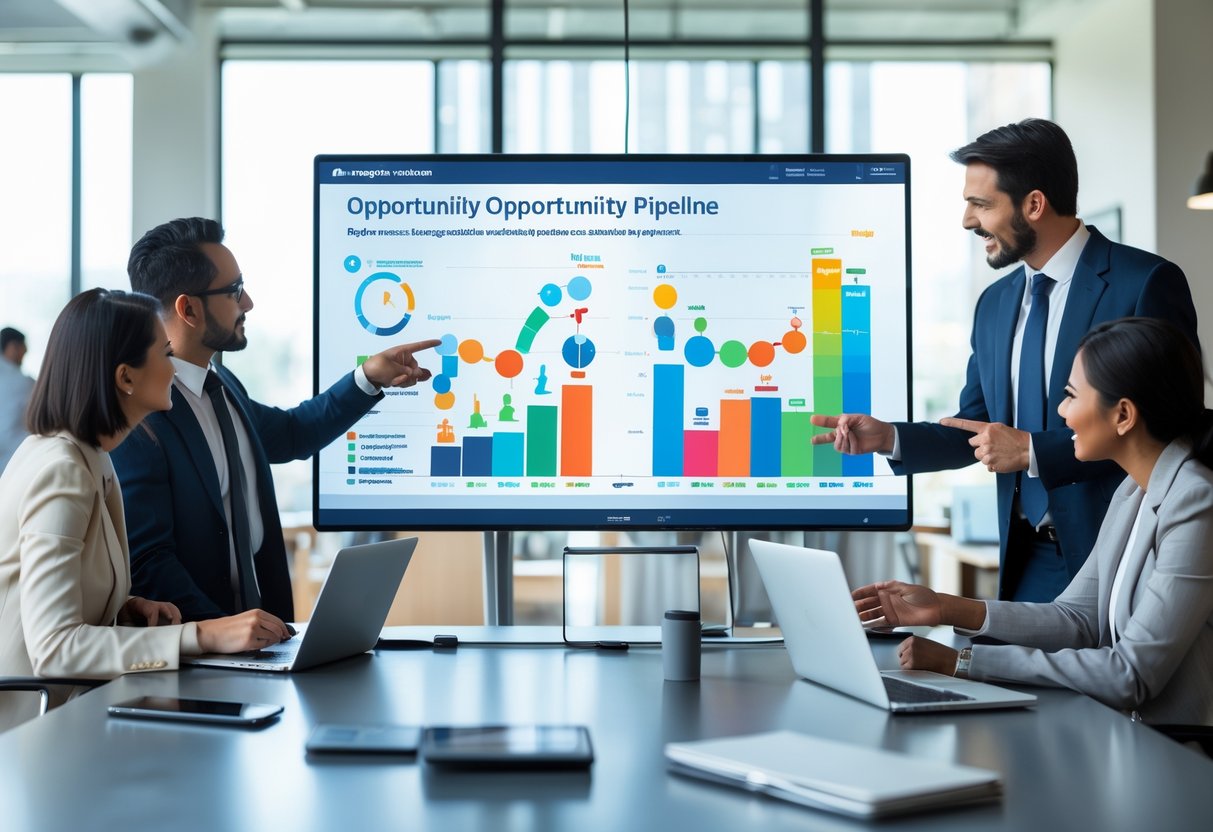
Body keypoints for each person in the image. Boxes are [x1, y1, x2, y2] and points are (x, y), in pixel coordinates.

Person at [811, 118, 1199, 602]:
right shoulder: (995, 304)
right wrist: (889, 437)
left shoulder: (1144, 282)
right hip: (1023, 560)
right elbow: (977, 428)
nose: (968, 221)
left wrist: (1033, 452)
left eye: (981, 204)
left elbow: (1173, 428)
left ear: (1034, 204)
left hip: (1120, 557)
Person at [853, 318, 1213, 726]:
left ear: (1124, 415)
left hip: (1174, 755)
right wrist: (943, 607)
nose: (1061, 412)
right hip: (1118, 735)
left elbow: (1129, 674)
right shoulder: (1134, 488)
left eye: (1071, 396)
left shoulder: (1194, 501)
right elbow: (1078, 619)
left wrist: (963, 661)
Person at [111, 218, 439, 622]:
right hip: (202, 651)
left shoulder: (222, 384)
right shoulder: (142, 415)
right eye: (234, 291)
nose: (247, 302)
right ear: (189, 308)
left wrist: (367, 378)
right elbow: (148, 560)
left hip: (257, 639)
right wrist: (222, 635)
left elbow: (292, 435)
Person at [0, 290, 293, 732]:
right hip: (36, 735)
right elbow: (54, 648)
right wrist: (202, 635)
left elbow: (54, 606)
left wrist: (126, 609)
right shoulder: (61, 470)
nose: (174, 367)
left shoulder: (90, 457)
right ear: (126, 377)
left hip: (82, 711)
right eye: (165, 353)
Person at [0, 326, 35, 473]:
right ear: (12, 347)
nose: (25, 354)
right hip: (17, 466)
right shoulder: (25, 382)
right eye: (23, 349)